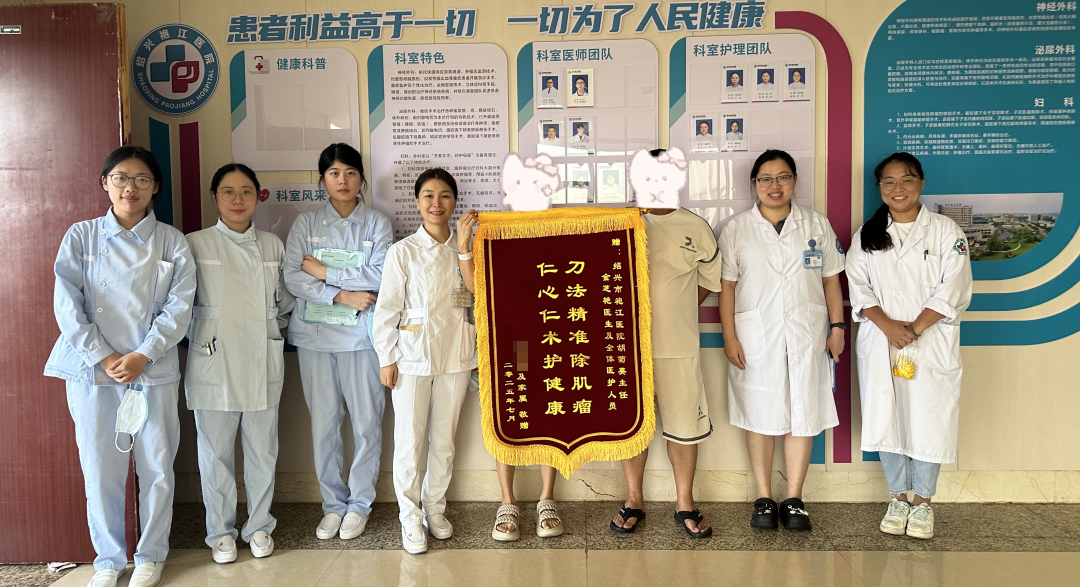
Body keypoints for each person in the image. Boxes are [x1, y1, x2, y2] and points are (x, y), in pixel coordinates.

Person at [45, 146, 196, 587]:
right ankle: (108, 559)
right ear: (105, 183)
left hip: (152, 368)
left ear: (155, 187)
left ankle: (150, 554)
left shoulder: (171, 240)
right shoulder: (82, 236)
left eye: (142, 179)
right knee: (100, 467)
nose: (131, 187)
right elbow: (67, 304)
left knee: (156, 466)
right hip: (94, 369)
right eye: (121, 178)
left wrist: (143, 354)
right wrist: (105, 356)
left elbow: (180, 307)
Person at [846, 152, 972, 540]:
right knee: (887, 417)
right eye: (889, 181)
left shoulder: (946, 231)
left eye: (906, 180)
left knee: (928, 418)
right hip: (881, 340)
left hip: (929, 342)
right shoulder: (867, 234)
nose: (897, 188)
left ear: (921, 183)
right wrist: (887, 326)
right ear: (879, 187)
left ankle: (923, 503)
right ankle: (898, 498)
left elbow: (954, 288)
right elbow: (858, 286)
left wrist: (914, 329)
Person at [718, 149, 844, 531]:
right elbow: (727, 287)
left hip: (808, 334)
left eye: (783, 177)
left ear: (794, 181)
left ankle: (794, 498)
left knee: (802, 413)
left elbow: (831, 280)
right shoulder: (737, 229)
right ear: (754, 183)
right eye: (766, 179)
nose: (775, 185)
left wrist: (837, 327)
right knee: (759, 413)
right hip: (755, 336)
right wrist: (729, 337)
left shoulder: (816, 224)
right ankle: (763, 496)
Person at [185, 163, 295, 563]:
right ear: (215, 197)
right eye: (228, 191)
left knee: (263, 451)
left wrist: (270, 332)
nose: (237, 199)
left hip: (260, 359)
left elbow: (285, 303)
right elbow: (180, 304)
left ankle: (260, 526)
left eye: (246, 191)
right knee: (214, 455)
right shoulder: (195, 244)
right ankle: (220, 533)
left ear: (257, 196)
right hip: (213, 359)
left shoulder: (272, 245)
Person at [284, 143, 393, 542]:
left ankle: (360, 504)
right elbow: (293, 276)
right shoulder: (306, 223)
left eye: (350, 172)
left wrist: (324, 271)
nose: (342, 180)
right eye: (333, 173)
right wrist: (341, 294)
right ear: (322, 180)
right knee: (324, 425)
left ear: (362, 178)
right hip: (315, 338)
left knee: (367, 423)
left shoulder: (377, 224)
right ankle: (333, 504)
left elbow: (381, 275)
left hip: (362, 339)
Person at [611, 149, 722, 539]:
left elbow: (710, 280)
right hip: (626, 350)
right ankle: (634, 499)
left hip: (678, 346)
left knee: (684, 427)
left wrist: (677, 309)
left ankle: (685, 502)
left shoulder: (695, 227)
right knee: (632, 427)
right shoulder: (618, 224)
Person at [372, 169, 478, 554]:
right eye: (429, 196)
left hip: (455, 355)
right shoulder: (402, 251)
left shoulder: (466, 249)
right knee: (409, 440)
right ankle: (409, 517)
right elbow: (386, 309)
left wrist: (464, 248)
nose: (437, 203)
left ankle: (435, 508)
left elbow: (476, 299)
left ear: (455, 202)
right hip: (410, 358)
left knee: (444, 440)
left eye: (445, 195)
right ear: (417, 201)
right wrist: (386, 358)